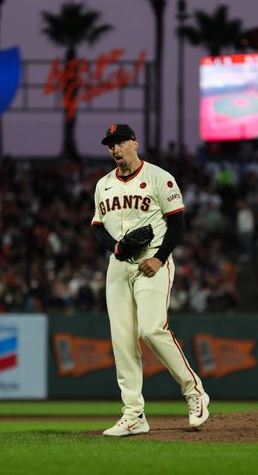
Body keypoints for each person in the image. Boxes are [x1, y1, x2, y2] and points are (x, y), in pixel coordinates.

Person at [91, 123, 209, 437]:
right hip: (118, 267)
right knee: (123, 340)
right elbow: (97, 227)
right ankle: (133, 415)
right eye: (110, 144)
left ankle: (194, 391)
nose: (115, 149)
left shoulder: (159, 177)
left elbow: (178, 224)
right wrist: (114, 246)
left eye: (120, 142)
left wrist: (159, 258)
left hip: (152, 261)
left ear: (135, 143)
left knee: (150, 328)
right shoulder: (103, 185)